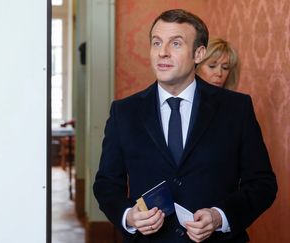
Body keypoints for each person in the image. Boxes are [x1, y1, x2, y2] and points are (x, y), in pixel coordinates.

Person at [93, 9, 277, 243]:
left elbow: (263, 184)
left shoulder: (236, 108)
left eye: (176, 44)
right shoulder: (124, 112)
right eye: (156, 42)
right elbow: (106, 184)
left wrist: (220, 216)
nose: (162, 53)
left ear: (198, 53)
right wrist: (128, 216)